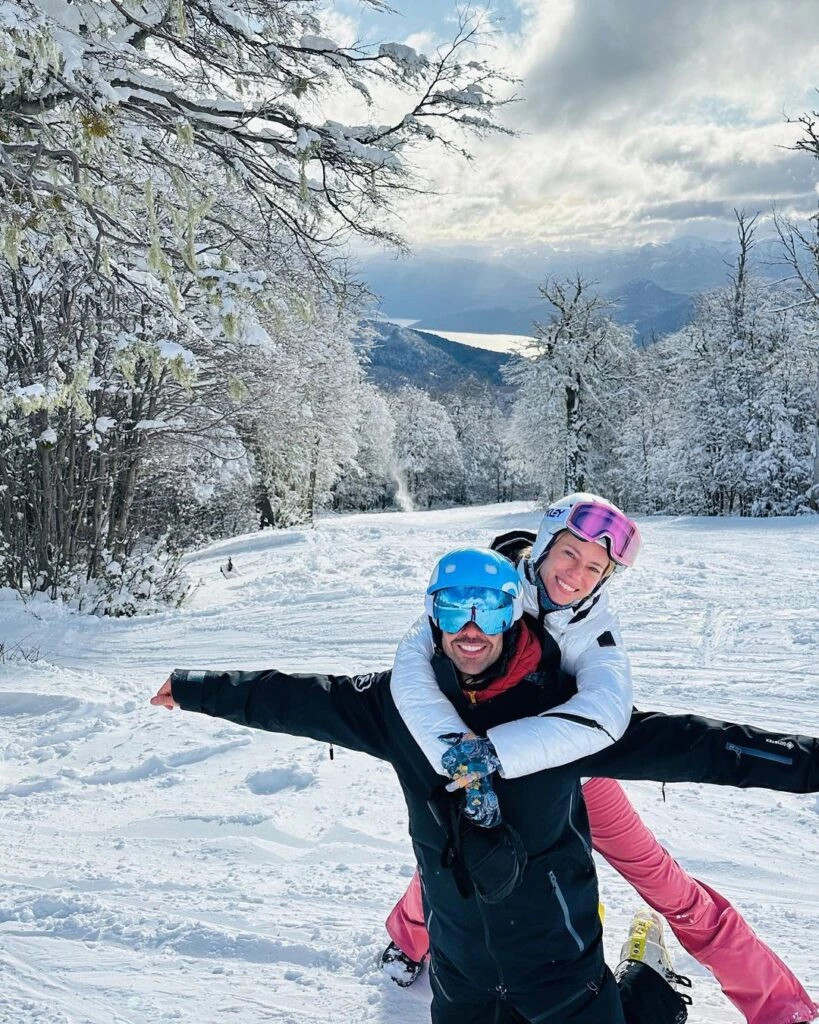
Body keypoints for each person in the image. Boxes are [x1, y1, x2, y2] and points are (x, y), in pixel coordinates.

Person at [151, 547, 819, 1024]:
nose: (471, 627)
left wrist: (808, 763)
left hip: (563, 979)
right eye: (453, 608)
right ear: (432, 616)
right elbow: (291, 697)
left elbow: (699, 744)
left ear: (514, 613)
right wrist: (191, 687)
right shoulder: (393, 708)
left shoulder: (562, 715)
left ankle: (647, 989)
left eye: (489, 609)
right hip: (463, 982)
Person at [383, 507, 819, 1024]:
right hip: (479, 771)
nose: (576, 575)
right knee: (450, 856)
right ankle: (406, 941)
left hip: (579, 775)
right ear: (544, 546)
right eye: (569, 553)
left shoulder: (597, 631)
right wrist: (450, 743)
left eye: (595, 568)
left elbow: (611, 712)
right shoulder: (493, 586)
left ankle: (778, 1004)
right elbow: (415, 649)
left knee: (664, 883)